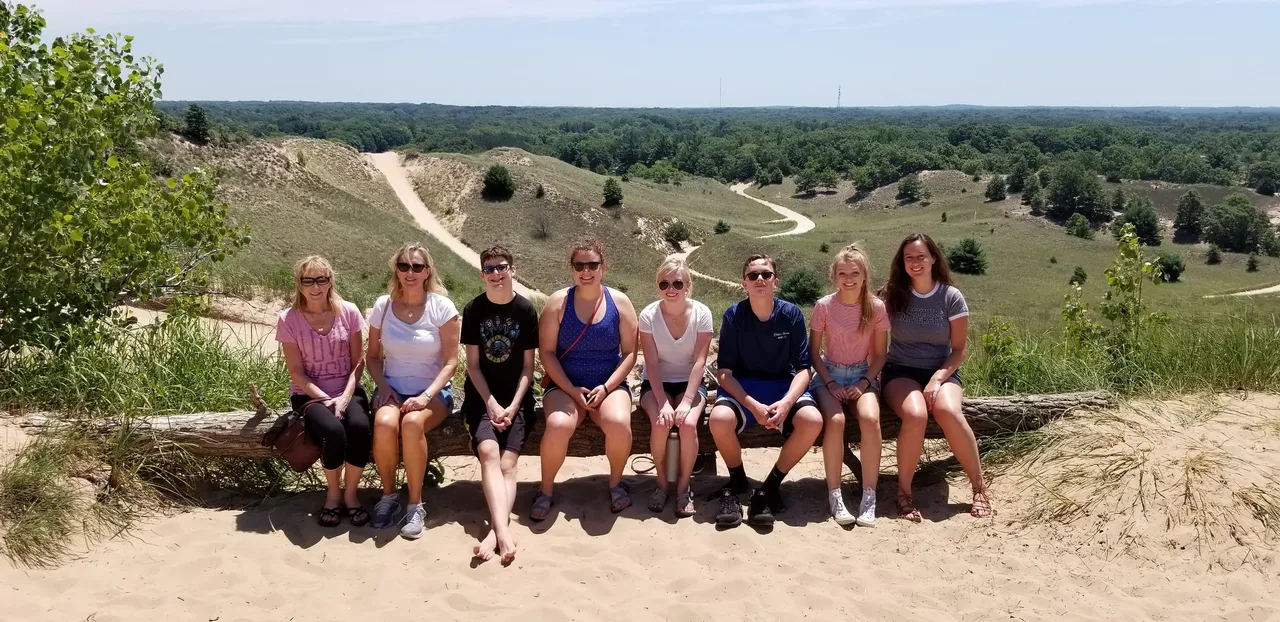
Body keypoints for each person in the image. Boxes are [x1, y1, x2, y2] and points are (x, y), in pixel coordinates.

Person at [879, 233, 993, 521]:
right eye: (909, 258)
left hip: (942, 370)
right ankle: (903, 493)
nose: (915, 263)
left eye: (920, 256)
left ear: (933, 258)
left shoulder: (950, 297)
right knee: (916, 414)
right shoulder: (893, 294)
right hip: (900, 371)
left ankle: (979, 487)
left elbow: (959, 351)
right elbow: (865, 318)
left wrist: (937, 379)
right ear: (901, 263)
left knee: (948, 410)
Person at [709, 254, 823, 528]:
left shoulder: (791, 314)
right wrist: (752, 406)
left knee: (812, 421)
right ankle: (737, 479)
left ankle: (771, 485)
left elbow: (804, 369)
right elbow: (724, 373)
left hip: (782, 386)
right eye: (753, 275)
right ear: (744, 283)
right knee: (718, 419)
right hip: (744, 387)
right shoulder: (734, 316)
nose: (759, 279)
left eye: (766, 274)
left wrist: (785, 403)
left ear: (776, 282)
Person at [533, 238, 639, 520]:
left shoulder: (620, 302)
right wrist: (570, 388)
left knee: (618, 422)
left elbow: (630, 353)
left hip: (609, 383)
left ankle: (616, 482)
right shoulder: (558, 303)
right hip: (565, 384)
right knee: (557, 425)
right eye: (579, 265)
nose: (586, 271)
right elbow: (547, 353)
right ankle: (545, 489)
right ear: (572, 269)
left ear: (603, 267)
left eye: (592, 264)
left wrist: (606, 387)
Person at [366, 243, 461, 539]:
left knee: (411, 423)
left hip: (433, 393)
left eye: (417, 267)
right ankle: (388, 496)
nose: (410, 272)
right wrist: (383, 386)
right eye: (404, 266)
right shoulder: (383, 306)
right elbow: (371, 357)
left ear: (427, 272)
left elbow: (451, 362)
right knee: (383, 423)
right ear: (396, 269)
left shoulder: (441, 307)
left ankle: (415, 503)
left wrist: (425, 396)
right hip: (391, 388)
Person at [276, 255, 371, 527]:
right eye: (308, 280)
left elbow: (358, 363)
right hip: (308, 395)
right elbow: (296, 372)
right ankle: (333, 495)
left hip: (348, 389)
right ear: (299, 283)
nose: (315, 286)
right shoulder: (289, 319)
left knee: (359, 425)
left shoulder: (349, 312)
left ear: (331, 281)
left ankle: (351, 495)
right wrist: (326, 399)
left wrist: (344, 397)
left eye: (322, 279)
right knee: (333, 431)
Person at [460, 246, 539, 563]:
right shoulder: (473, 310)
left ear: (512, 269)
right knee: (488, 452)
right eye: (489, 269)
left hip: (517, 399)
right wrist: (491, 403)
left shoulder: (526, 310)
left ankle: (495, 532)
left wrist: (512, 405)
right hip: (481, 398)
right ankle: (504, 533)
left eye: (501, 267)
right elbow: (473, 366)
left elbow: (528, 368)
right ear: (482, 274)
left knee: (508, 464)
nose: (496, 274)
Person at [809, 244, 890, 527]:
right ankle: (835, 494)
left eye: (854, 273)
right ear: (834, 275)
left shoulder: (876, 307)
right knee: (836, 419)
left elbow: (880, 355)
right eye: (842, 273)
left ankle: (869, 496)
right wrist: (830, 382)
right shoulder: (824, 306)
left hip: (862, 374)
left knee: (870, 418)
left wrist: (864, 382)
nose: (848, 279)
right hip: (828, 372)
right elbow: (813, 353)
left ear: (864, 275)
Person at [637, 256, 713, 518]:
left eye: (678, 283)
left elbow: (700, 361)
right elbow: (651, 363)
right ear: (658, 286)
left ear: (688, 285)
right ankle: (661, 483)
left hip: (690, 381)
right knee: (661, 422)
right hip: (656, 382)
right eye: (664, 283)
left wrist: (685, 401)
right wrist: (664, 403)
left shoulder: (702, 314)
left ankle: (683, 487)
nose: (671, 289)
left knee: (688, 423)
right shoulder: (648, 316)